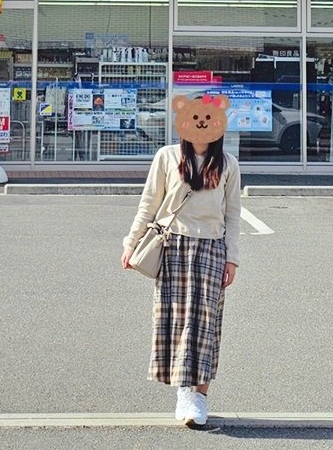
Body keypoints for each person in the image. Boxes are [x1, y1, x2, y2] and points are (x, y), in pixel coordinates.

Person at [121, 93, 241, 428]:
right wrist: (131, 243)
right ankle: (183, 392)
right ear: (183, 123)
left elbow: (233, 214)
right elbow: (148, 204)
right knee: (173, 320)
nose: (202, 126)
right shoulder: (167, 157)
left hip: (211, 249)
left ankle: (198, 397)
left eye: (208, 120)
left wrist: (232, 259)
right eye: (195, 119)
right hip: (172, 246)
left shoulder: (228, 164)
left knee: (205, 323)